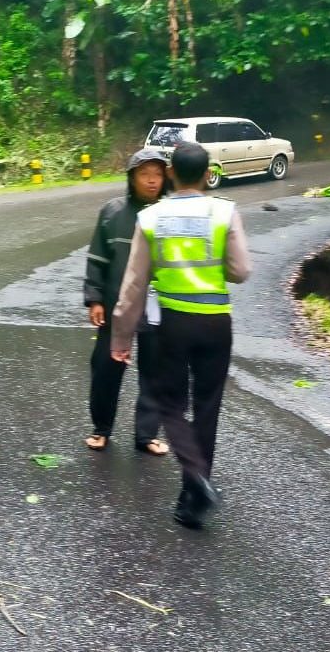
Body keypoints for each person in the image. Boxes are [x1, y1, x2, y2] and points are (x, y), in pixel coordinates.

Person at [111, 143, 252, 529]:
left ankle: (197, 478)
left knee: (169, 403)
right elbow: (241, 271)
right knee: (207, 407)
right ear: (208, 174)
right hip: (215, 323)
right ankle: (192, 499)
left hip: (173, 323)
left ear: (170, 172)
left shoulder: (152, 217)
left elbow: (134, 284)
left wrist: (120, 336)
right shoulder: (224, 212)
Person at [82, 149, 170, 456]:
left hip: (158, 306)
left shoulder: (170, 214)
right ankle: (101, 428)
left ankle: (146, 435)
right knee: (106, 367)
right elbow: (96, 259)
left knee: (155, 370)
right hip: (116, 305)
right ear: (132, 178)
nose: (151, 181)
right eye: (145, 174)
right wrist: (94, 299)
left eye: (157, 175)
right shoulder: (113, 211)